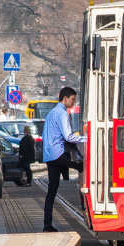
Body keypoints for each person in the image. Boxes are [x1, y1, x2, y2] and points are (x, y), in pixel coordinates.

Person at [41, 87, 86, 232]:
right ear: (65, 98)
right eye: (73, 99)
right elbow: (68, 136)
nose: (74, 102)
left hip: (49, 155)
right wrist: (87, 138)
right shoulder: (61, 113)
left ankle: (47, 224)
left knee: (52, 190)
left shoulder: (51, 113)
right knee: (82, 166)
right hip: (59, 154)